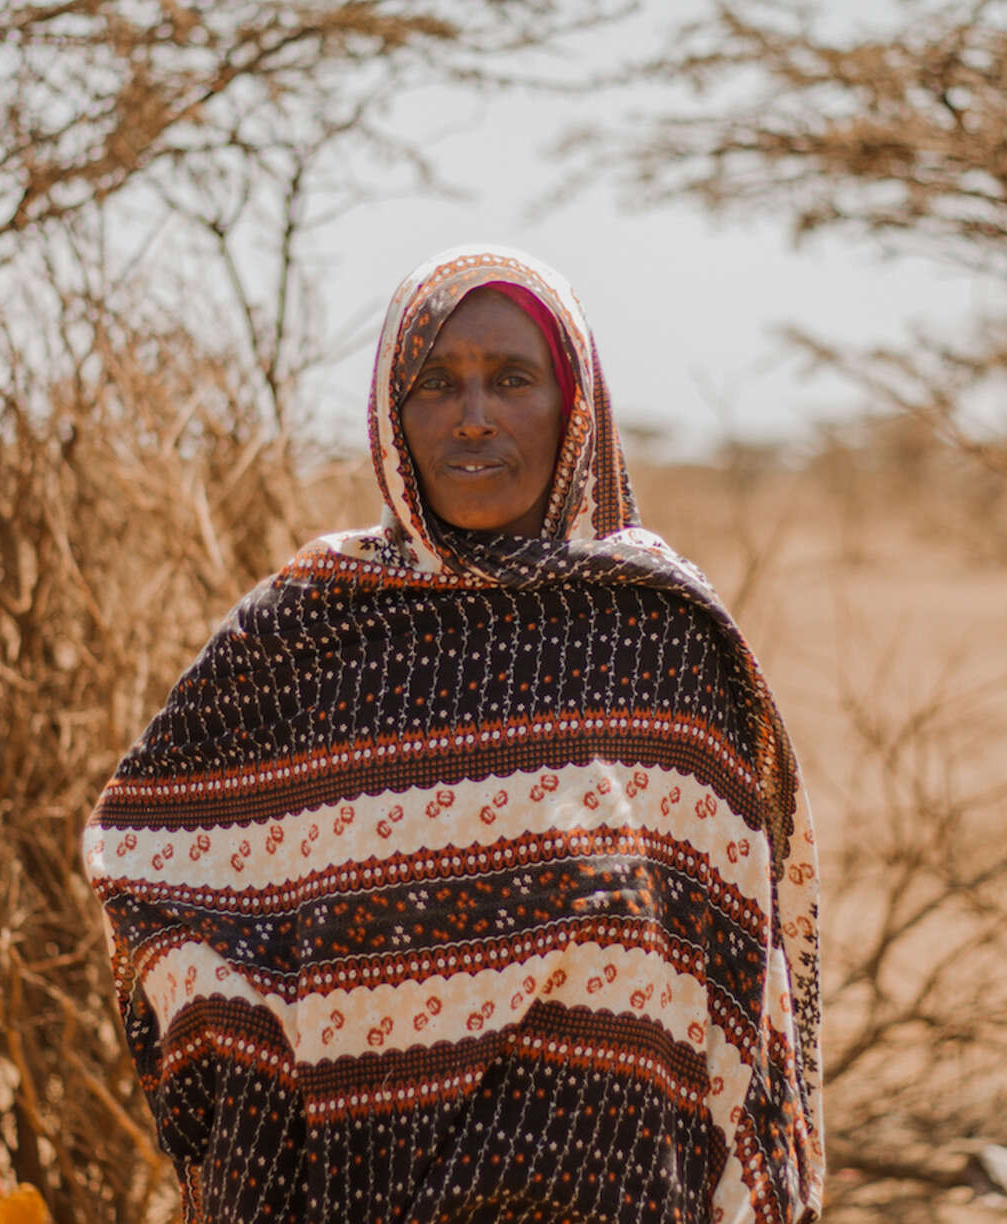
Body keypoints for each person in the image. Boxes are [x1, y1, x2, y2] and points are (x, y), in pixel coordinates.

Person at [84, 245, 824, 1223]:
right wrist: (234, 1030)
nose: (472, 415)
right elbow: (148, 854)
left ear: (573, 404)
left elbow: (739, 935)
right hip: (365, 1179)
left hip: (613, 1178)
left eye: (511, 379)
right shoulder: (311, 628)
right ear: (395, 414)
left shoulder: (657, 634)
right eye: (436, 382)